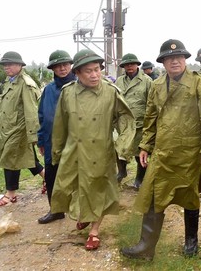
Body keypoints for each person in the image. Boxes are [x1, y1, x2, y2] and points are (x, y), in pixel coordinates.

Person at [120, 39, 201, 260]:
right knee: (153, 195)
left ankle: (191, 243)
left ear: (185, 60)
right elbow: (151, 118)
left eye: (178, 57)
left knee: (189, 197)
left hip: (189, 153)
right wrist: (146, 145)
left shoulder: (199, 83)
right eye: (169, 58)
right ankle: (146, 247)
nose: (174, 61)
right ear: (163, 62)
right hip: (163, 152)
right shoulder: (156, 85)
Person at [50, 49, 135, 251]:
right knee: (74, 187)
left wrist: (122, 144)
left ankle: (94, 230)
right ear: (77, 73)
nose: (94, 75)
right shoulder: (68, 93)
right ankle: (84, 215)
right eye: (88, 71)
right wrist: (57, 151)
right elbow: (60, 125)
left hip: (100, 151)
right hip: (75, 150)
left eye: (97, 70)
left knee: (98, 189)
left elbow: (126, 118)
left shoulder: (110, 92)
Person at [0, 51, 45, 207]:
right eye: (5, 65)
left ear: (20, 65)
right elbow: (2, 107)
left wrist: (34, 138)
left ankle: (10, 194)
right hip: (7, 129)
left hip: (19, 130)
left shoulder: (26, 84)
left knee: (10, 160)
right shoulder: (9, 82)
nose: (7, 67)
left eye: (10, 64)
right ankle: (48, 178)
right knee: (26, 159)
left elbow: (31, 113)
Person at [36, 50, 76, 224]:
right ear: (52, 68)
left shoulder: (78, 86)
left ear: (71, 65)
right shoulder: (49, 90)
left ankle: (81, 211)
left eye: (65, 64)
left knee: (77, 177)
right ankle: (56, 210)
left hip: (73, 141)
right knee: (52, 176)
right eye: (58, 66)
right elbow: (42, 115)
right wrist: (41, 139)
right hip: (51, 141)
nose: (62, 68)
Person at [115, 53, 152, 189]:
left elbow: (151, 103)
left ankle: (139, 179)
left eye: (132, 64)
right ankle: (122, 172)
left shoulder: (147, 81)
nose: (129, 66)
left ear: (137, 65)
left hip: (140, 125)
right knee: (120, 150)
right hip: (123, 125)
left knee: (140, 153)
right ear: (123, 66)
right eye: (126, 64)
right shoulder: (119, 81)